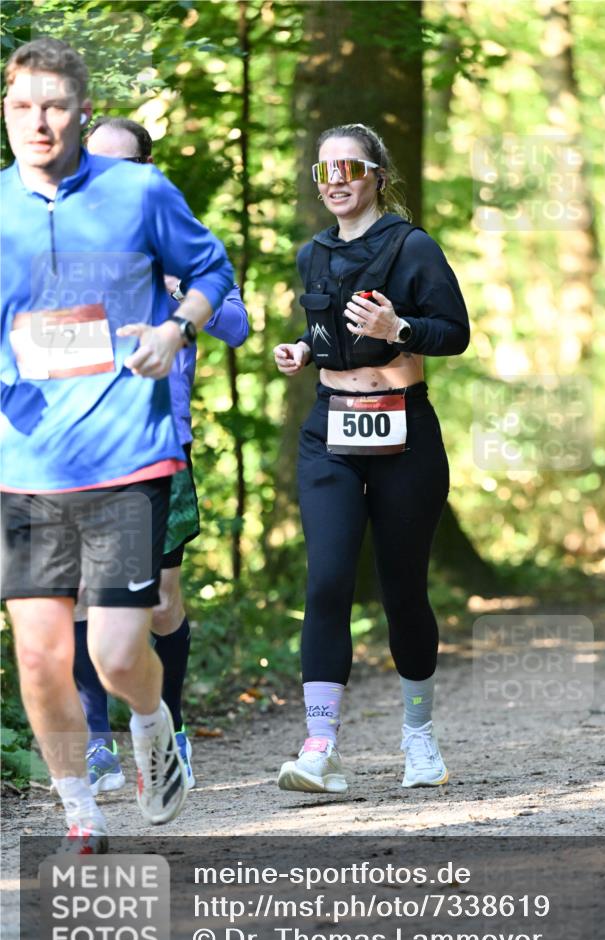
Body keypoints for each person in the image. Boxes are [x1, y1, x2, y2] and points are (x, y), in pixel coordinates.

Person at [0, 38, 234, 851]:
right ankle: (80, 812)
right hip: (24, 466)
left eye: (55, 106)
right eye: (24, 105)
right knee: (38, 658)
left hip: (129, 457)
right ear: (6, 112)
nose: (40, 121)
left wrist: (175, 331)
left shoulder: (139, 191)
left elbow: (213, 273)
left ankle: (151, 718)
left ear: (82, 111)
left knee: (116, 652)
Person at [273, 123, 469, 793]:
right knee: (326, 582)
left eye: (348, 167)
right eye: (322, 170)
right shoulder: (312, 254)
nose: (334, 179)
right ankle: (320, 748)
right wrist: (304, 350)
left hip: (402, 433)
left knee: (402, 590)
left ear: (375, 175)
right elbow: (326, 328)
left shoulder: (412, 247)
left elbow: (455, 332)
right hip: (330, 431)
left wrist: (400, 329)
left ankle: (419, 740)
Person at [70, 117, 249, 796]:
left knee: (163, 602)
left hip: (160, 451)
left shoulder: (179, 240)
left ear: (147, 167)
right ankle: (96, 745)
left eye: (125, 165)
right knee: (83, 597)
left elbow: (237, 325)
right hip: (82, 450)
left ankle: (168, 731)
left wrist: (181, 299)